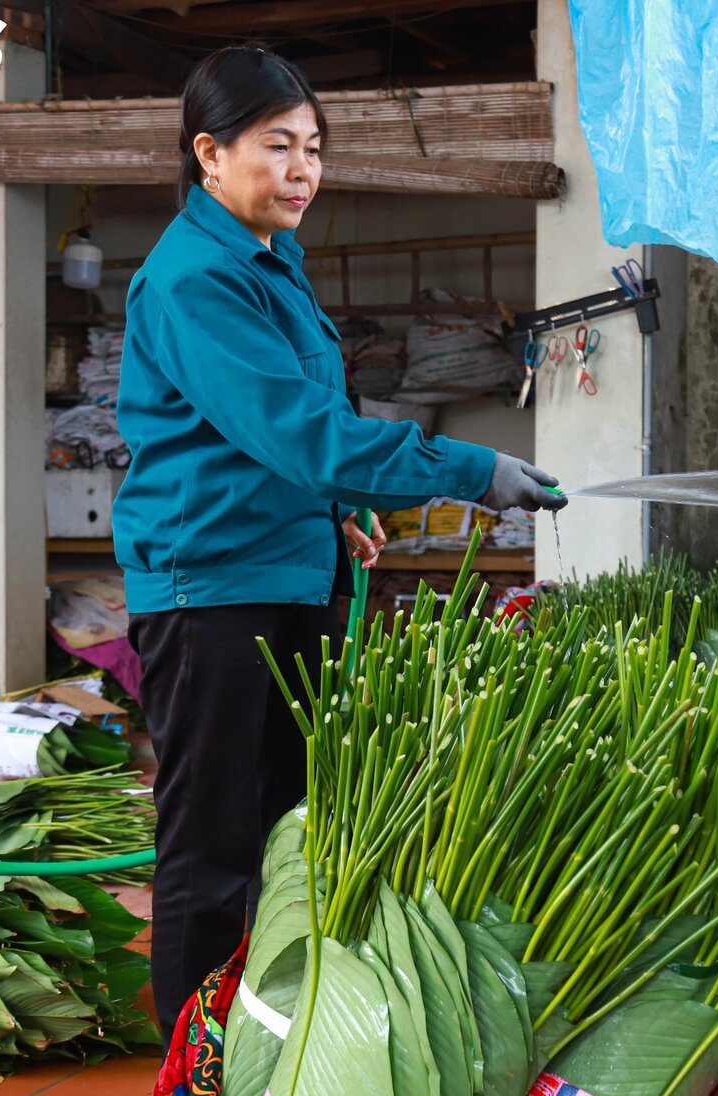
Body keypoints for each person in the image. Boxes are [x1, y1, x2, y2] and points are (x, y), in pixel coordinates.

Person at [115, 46, 566, 1032]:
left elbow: (292, 427)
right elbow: (299, 432)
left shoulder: (273, 266)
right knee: (213, 850)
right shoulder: (194, 280)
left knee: (291, 831)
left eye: (312, 148)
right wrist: (468, 470)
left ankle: (267, 1049)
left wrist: (342, 510)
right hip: (213, 594)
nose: (302, 170)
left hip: (284, 572)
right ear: (209, 155)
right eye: (276, 146)